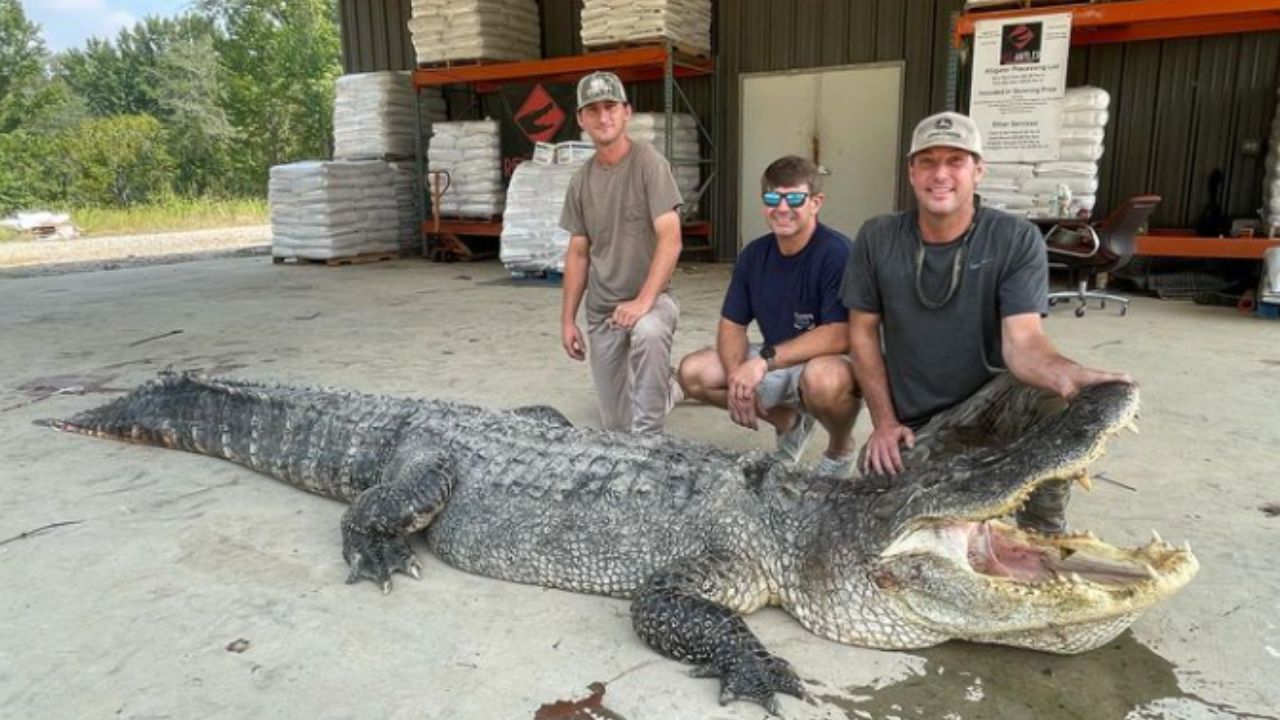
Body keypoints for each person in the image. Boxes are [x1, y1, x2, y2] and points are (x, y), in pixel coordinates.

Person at [842, 111, 1131, 533]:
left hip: (993, 406)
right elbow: (862, 334)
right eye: (928, 161)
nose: (940, 174)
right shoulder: (877, 236)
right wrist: (884, 422)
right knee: (876, 494)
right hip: (921, 424)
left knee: (1049, 402)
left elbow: (1024, 342)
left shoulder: (1014, 239)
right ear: (911, 171)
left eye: (955, 161)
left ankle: (1042, 536)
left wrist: (1067, 375)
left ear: (978, 170)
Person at [678, 156, 860, 476]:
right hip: (774, 359)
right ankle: (787, 421)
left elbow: (839, 333)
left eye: (795, 198)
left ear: (816, 203)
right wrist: (738, 377)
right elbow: (732, 324)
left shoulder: (838, 254)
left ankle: (840, 448)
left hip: (826, 361)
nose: (782, 208)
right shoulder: (753, 255)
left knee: (823, 381)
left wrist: (762, 361)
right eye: (773, 198)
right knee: (693, 372)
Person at [559, 71, 685, 434]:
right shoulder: (581, 182)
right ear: (581, 119)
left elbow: (671, 238)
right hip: (603, 311)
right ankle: (670, 387)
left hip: (652, 299)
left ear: (626, 112)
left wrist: (644, 301)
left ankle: (650, 444)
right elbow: (578, 254)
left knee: (647, 332)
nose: (603, 117)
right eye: (592, 110)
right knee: (615, 424)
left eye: (610, 106)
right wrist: (568, 320)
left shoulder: (649, 164)